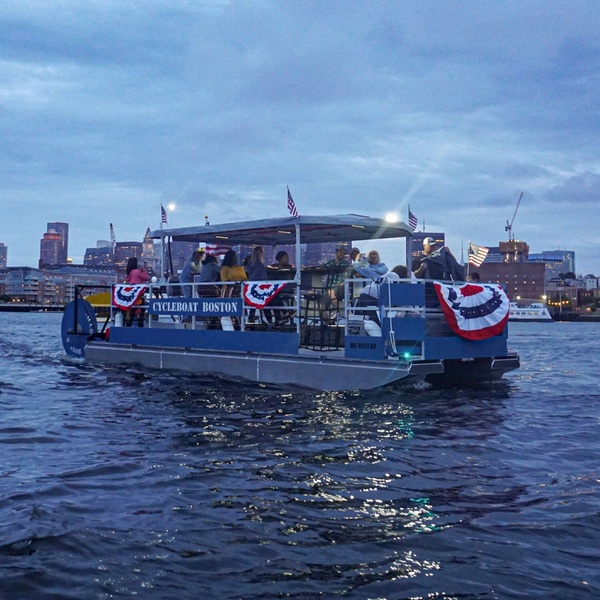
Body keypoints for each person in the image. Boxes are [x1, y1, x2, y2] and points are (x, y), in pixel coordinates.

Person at [320, 245, 352, 322]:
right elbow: (322, 268)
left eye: (344, 253)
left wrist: (343, 283)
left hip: (340, 288)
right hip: (329, 290)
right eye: (341, 252)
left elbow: (347, 277)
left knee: (331, 291)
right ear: (336, 252)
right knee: (320, 307)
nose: (342, 254)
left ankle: (335, 311)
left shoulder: (345, 264)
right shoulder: (331, 262)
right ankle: (328, 322)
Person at [124, 257, 149, 327]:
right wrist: (144, 269)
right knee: (141, 311)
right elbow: (146, 278)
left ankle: (128, 326)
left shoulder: (131, 272)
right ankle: (140, 326)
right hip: (139, 295)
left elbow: (128, 279)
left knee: (131, 311)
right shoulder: (137, 272)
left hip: (132, 294)